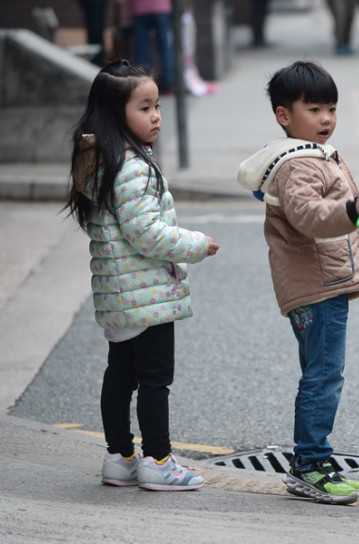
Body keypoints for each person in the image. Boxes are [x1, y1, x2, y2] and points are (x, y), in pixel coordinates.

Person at [65, 59, 220, 491]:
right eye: (145, 108)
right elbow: (148, 235)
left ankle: (120, 456)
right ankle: (158, 460)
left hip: (119, 297)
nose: (156, 116)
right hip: (146, 297)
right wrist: (196, 244)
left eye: (157, 106)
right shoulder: (131, 168)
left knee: (121, 375)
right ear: (118, 115)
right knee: (154, 380)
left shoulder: (100, 162)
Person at [237, 60, 359, 504]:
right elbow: (309, 217)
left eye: (331, 109)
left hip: (324, 283)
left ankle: (312, 459)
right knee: (322, 376)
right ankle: (311, 463)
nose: (326, 119)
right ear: (284, 115)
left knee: (321, 372)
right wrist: (354, 208)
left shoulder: (314, 155)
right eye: (314, 109)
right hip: (317, 288)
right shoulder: (298, 164)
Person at [129, 0, 175, 94]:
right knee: (165, 49)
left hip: (140, 9)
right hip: (161, 7)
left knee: (142, 51)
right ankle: (169, 84)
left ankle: (144, 85)